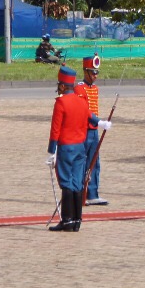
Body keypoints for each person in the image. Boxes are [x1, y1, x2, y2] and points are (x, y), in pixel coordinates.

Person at [47, 66, 91, 232]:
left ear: (63, 86)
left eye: (59, 84)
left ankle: (66, 221)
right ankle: (77, 220)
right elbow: (88, 120)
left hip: (66, 147)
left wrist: (51, 151)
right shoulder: (82, 101)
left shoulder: (61, 102)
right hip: (80, 147)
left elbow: (55, 129)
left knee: (66, 182)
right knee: (77, 182)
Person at [75, 54, 113, 206]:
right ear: (85, 72)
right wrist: (100, 121)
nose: (95, 76)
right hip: (83, 130)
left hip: (93, 130)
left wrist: (98, 123)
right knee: (82, 163)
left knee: (94, 162)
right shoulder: (79, 88)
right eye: (92, 72)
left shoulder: (95, 88)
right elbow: (84, 111)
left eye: (97, 73)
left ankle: (92, 193)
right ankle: (80, 192)